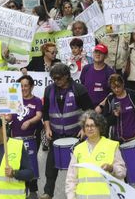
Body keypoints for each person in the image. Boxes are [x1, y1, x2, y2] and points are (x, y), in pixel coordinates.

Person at [40, 63, 93, 199]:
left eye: (58, 78)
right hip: (56, 134)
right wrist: (47, 128)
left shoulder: (79, 89)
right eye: (54, 79)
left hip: (76, 135)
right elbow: (45, 112)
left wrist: (84, 128)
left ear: (67, 76)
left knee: (80, 167)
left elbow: (90, 111)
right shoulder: (48, 90)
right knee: (51, 166)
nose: (56, 81)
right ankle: (48, 192)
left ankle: (83, 192)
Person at [101, 73, 135, 197]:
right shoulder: (110, 100)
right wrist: (114, 115)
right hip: (118, 140)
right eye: (113, 88)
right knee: (122, 170)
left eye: (119, 87)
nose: (117, 90)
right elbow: (104, 121)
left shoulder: (134, 96)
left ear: (123, 84)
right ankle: (127, 193)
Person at [65, 110, 126, 199]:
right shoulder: (78, 149)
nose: (89, 129)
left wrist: (112, 168)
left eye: (92, 125)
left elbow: (122, 173)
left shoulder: (112, 145)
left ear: (100, 127)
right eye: (87, 126)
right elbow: (71, 178)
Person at [4, 75, 43, 198]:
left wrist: (29, 122)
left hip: (31, 138)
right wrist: (2, 117)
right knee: (18, 164)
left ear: (31, 86)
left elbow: (39, 115)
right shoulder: (14, 99)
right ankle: (20, 189)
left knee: (31, 165)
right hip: (15, 139)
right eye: (21, 86)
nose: (23, 88)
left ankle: (33, 191)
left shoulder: (36, 101)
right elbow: (9, 117)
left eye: (26, 85)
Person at [80, 44, 115, 108]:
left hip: (103, 109)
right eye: (96, 52)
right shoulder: (86, 68)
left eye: (101, 53)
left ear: (106, 55)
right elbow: (82, 87)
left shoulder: (110, 72)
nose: (98, 54)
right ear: (93, 53)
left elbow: (112, 92)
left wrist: (101, 106)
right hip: (87, 108)